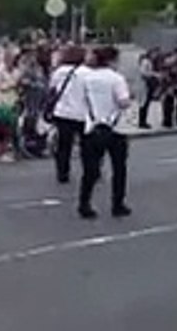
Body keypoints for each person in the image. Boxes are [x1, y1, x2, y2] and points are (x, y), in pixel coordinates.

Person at [78, 45, 133, 220]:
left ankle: (84, 203)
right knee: (119, 168)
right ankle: (117, 204)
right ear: (112, 60)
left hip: (91, 125)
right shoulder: (117, 79)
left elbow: (82, 100)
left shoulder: (87, 79)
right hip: (115, 127)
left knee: (90, 170)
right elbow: (123, 101)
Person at [48, 45, 89, 184]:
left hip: (63, 112)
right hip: (82, 112)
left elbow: (52, 88)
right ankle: (90, 170)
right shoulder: (86, 72)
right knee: (86, 145)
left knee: (64, 145)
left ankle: (62, 173)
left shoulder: (59, 72)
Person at [137, 48, 161, 129]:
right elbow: (143, 72)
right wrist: (154, 75)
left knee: (146, 103)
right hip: (144, 85)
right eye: (155, 53)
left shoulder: (149, 62)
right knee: (144, 103)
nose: (156, 56)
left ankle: (143, 120)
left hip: (147, 84)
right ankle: (142, 121)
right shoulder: (146, 62)